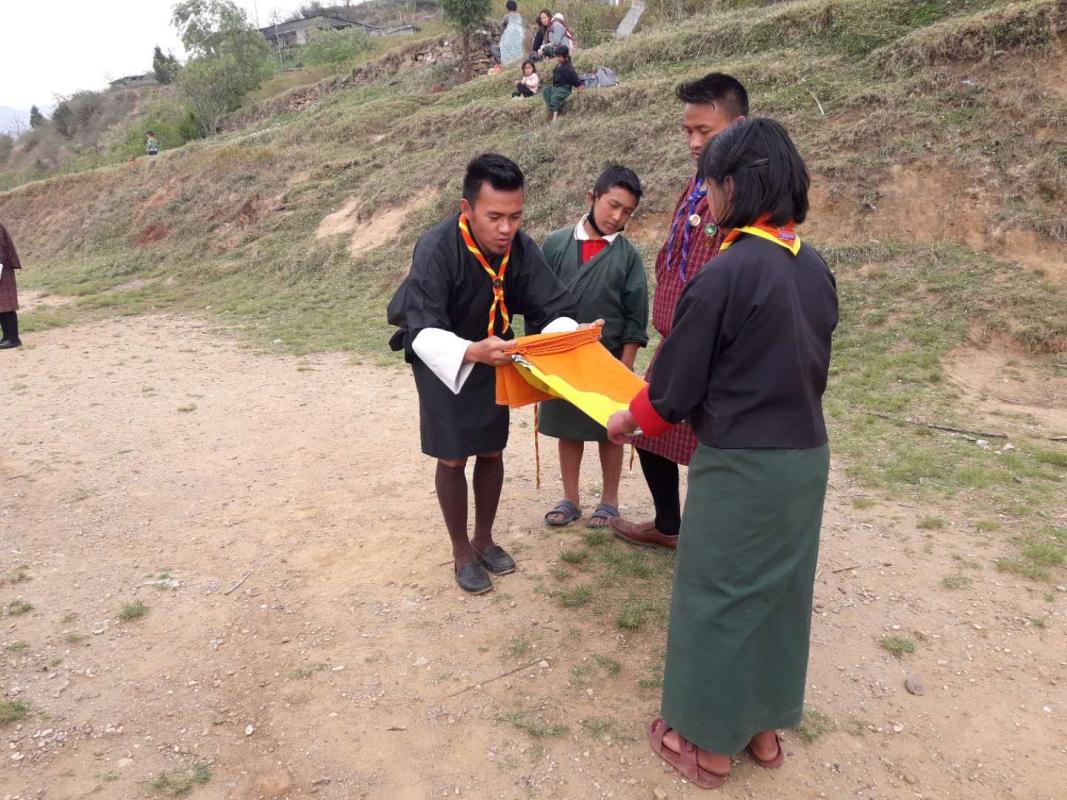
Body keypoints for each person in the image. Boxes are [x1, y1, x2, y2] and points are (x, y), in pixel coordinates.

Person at [607, 117, 838, 789]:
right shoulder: (813, 267)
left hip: (742, 464)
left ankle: (706, 745)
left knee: (716, 595)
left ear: (735, 186)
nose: (703, 199)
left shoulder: (726, 272)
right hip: (804, 459)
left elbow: (672, 387)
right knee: (776, 595)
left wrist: (628, 419)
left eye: (708, 184)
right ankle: (762, 732)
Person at [387, 154, 594, 594]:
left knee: (492, 449)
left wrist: (569, 335)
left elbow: (551, 304)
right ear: (467, 209)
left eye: (515, 217)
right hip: (444, 357)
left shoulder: (519, 247)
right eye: (494, 216)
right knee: (453, 455)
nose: (506, 228)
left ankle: (485, 538)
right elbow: (421, 328)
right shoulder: (436, 247)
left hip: (495, 352)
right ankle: (462, 551)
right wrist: (469, 351)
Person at [610, 72, 748, 551]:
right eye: (687, 131)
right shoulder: (699, 184)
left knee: (714, 448)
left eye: (703, 132)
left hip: (715, 344)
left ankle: (716, 541)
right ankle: (669, 525)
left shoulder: (745, 194)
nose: (692, 142)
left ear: (738, 125)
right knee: (651, 432)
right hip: (677, 334)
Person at [540, 165, 648, 529]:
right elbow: (537, 301)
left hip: (609, 360)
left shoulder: (628, 256)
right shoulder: (555, 244)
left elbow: (636, 315)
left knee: (611, 429)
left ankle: (609, 501)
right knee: (568, 429)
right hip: (562, 358)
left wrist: (625, 364)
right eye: (612, 205)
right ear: (592, 198)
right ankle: (570, 499)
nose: (618, 217)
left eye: (627, 212)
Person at [542, 46, 582, 122]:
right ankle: (553, 108)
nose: (557, 58)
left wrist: (579, 88)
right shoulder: (558, 65)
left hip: (564, 88)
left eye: (559, 57)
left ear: (566, 56)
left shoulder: (568, 68)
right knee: (545, 90)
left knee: (554, 98)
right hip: (556, 87)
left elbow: (575, 80)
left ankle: (555, 116)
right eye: (557, 56)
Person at [0, 221, 22, 349]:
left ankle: (13, 338)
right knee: (1, 305)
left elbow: (0, 250)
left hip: (3, 269)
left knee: (7, 304)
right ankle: (6, 337)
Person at [499, 1, 524, 66]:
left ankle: (508, 66)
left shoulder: (506, 17)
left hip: (509, 38)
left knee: (508, 54)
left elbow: (503, 28)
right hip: (519, 37)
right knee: (517, 53)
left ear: (507, 8)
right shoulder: (519, 16)